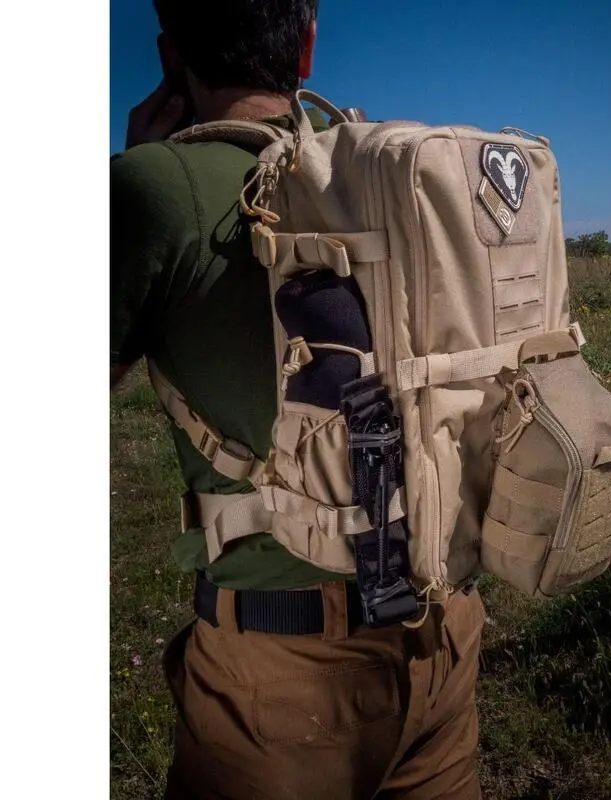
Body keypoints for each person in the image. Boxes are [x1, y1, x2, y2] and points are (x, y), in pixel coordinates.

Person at [110, 2, 486, 798]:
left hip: (281, 685)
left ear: (170, 56)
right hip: (447, 632)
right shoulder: (381, 177)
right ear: (308, 47)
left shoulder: (153, 188)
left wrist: (134, 172)